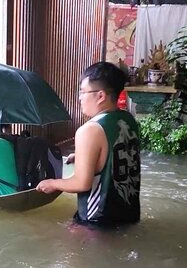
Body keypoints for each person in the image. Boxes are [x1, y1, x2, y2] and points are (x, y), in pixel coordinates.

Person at [36, 61, 140, 226]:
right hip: (129, 214)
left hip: (98, 220)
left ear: (100, 96)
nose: (79, 98)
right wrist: (83, 156)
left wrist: (52, 183)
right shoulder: (128, 120)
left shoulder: (89, 130)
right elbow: (116, 154)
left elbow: (81, 183)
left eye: (83, 92)